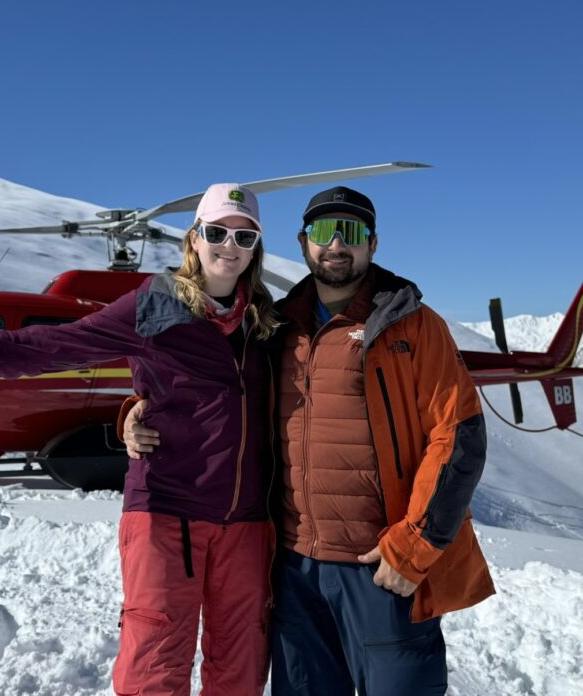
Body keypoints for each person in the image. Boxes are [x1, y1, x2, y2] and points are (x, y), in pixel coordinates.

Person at [0, 183, 280, 696]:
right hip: (166, 511)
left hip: (247, 522)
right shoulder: (151, 308)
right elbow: (37, 348)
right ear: (194, 239)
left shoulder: (267, 325)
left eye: (244, 236)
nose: (231, 245)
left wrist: (128, 411)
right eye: (218, 232)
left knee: (242, 661)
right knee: (155, 659)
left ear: (256, 247)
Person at [122, 185, 495, 696]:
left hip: (381, 570)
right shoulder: (275, 326)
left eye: (352, 231)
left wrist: (415, 546)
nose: (336, 244)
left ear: (374, 243)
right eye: (323, 231)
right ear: (302, 243)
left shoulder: (412, 325)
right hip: (294, 574)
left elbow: (459, 436)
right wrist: (138, 411)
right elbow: (215, 393)